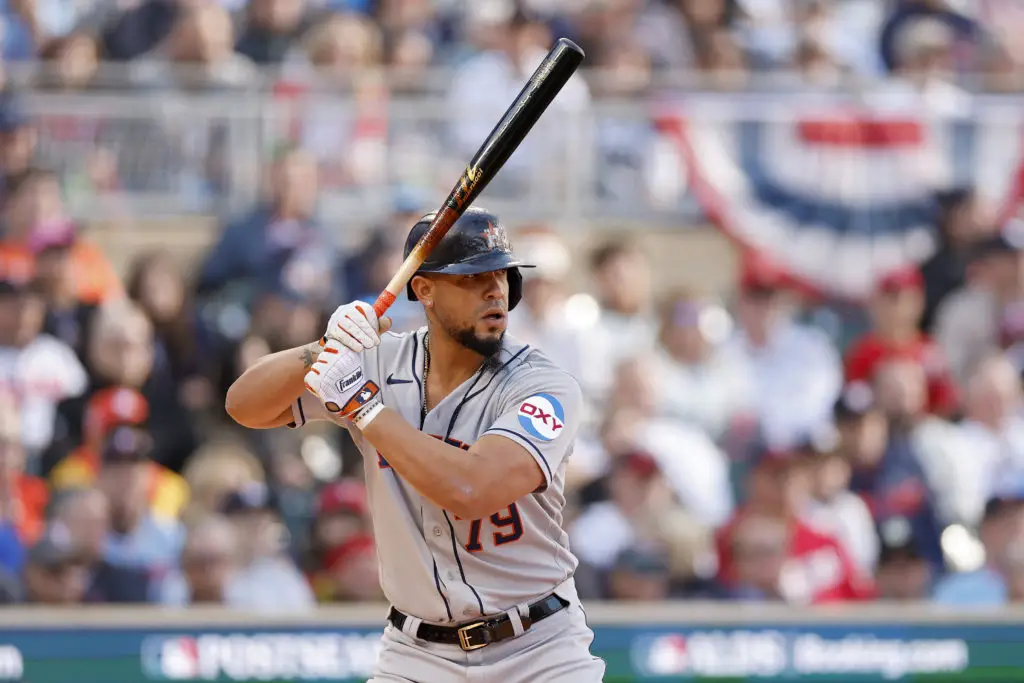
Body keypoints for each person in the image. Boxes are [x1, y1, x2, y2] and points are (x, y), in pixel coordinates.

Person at [227, 208, 605, 681]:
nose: (495, 291)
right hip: (416, 654)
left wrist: (363, 408)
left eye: (502, 275)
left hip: (537, 649)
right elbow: (244, 405)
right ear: (423, 288)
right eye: (472, 277)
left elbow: (471, 489)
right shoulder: (379, 364)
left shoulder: (541, 384)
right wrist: (323, 348)